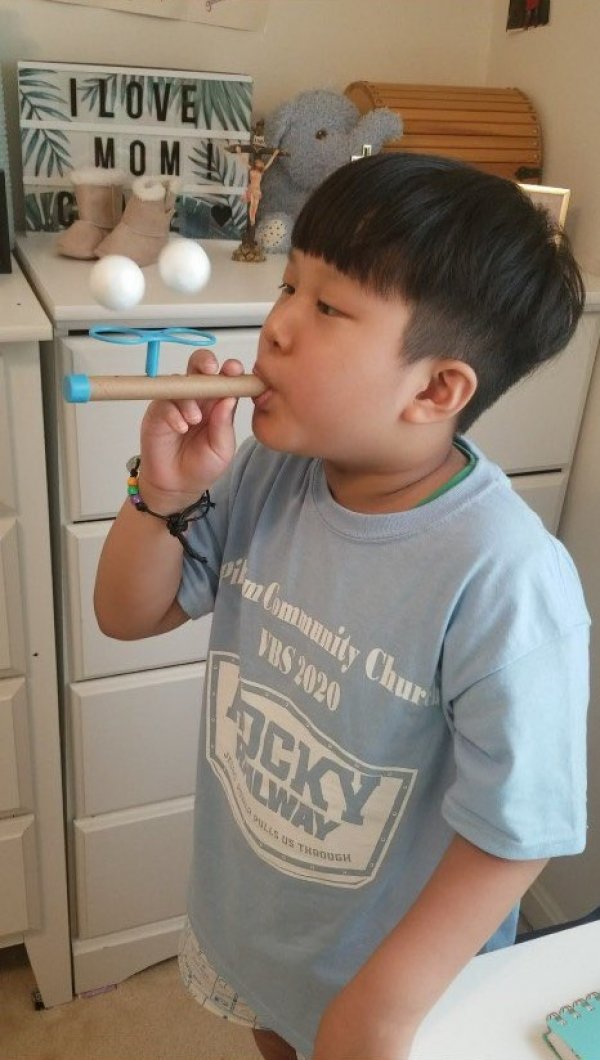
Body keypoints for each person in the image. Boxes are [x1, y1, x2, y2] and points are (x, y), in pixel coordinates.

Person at [94, 153, 590, 1060]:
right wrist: (161, 495)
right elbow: (129, 615)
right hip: (258, 920)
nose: (277, 326)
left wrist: (380, 1009)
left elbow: (518, 827)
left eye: (327, 308)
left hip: (396, 981)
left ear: (436, 390)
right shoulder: (269, 471)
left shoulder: (506, 578)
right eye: (290, 286)